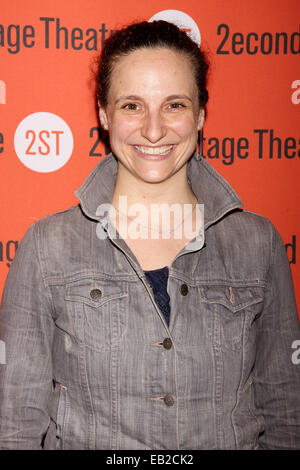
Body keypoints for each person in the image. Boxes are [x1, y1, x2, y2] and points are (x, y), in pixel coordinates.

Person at [0, 20, 299, 450]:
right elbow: (15, 427)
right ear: (104, 113)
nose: (154, 130)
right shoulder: (49, 248)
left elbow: (286, 413)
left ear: (201, 114)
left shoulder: (258, 244)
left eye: (174, 105)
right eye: (132, 106)